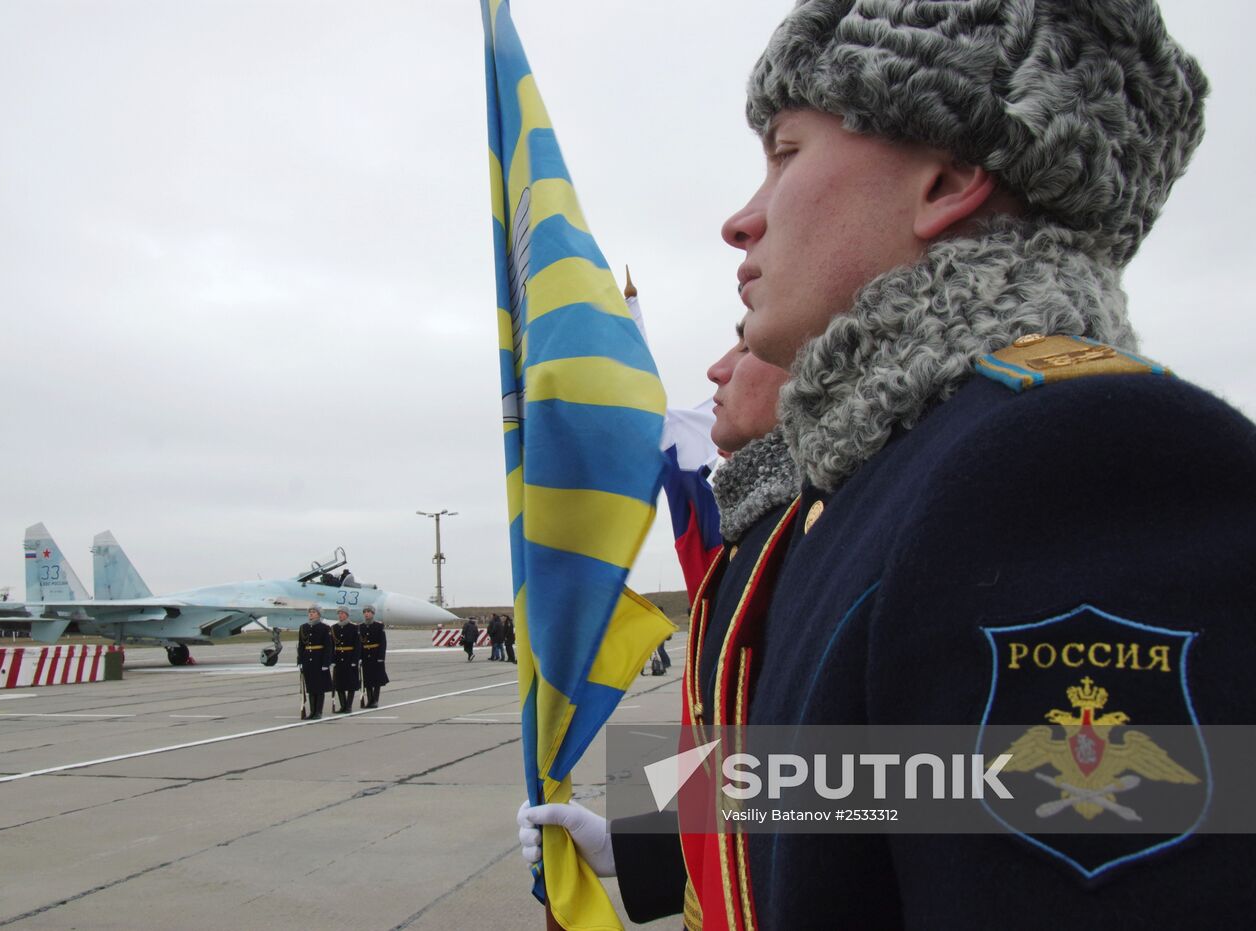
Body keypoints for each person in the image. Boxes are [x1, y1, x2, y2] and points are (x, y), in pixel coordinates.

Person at [525, 2, 1256, 926]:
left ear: (947, 181)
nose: (739, 221)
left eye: (786, 154)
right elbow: (896, 781)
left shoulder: (1078, 457)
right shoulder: (882, 479)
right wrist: (637, 831)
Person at [520, 322, 795, 923]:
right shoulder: (768, 537)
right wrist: (632, 845)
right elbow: (783, 782)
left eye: (748, 346)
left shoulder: (872, 521)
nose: (717, 369)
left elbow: (1010, 780)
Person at [295, 607, 333, 720]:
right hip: (308, 660)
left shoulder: (325, 628)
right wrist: (300, 661)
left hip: (319, 660)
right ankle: (312, 712)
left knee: (319, 687)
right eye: (310, 612)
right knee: (310, 687)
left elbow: (328, 647)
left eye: (313, 612)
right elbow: (301, 646)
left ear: (319, 615)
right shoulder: (303, 628)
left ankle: (318, 712)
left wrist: (326, 663)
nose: (311, 614)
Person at [330, 607, 361, 713]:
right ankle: (343, 705)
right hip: (339, 658)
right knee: (339, 684)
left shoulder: (354, 628)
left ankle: (348, 706)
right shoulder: (334, 628)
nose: (340, 615)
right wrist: (332, 660)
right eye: (339, 613)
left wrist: (355, 660)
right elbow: (331, 646)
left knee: (351, 684)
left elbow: (357, 645)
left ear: (347, 615)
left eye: (343, 613)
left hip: (349, 657)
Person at [358, 605, 388, 709]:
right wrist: (359, 657)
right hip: (365, 655)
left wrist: (381, 657)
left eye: (369, 612)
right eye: (365, 612)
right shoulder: (360, 627)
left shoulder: (378, 626)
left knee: (376, 679)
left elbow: (382, 643)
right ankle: (369, 700)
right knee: (367, 680)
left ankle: (375, 700)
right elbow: (359, 644)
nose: (366, 613)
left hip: (376, 655)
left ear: (373, 613)